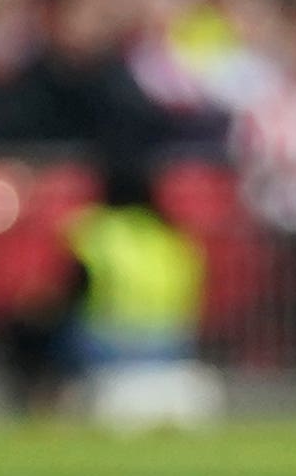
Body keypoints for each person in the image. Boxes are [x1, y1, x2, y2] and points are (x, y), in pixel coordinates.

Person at [61, 155, 220, 434]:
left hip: (107, 344)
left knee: (42, 325)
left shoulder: (96, 231)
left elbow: (70, 289)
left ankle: (45, 399)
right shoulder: (173, 236)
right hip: (171, 344)